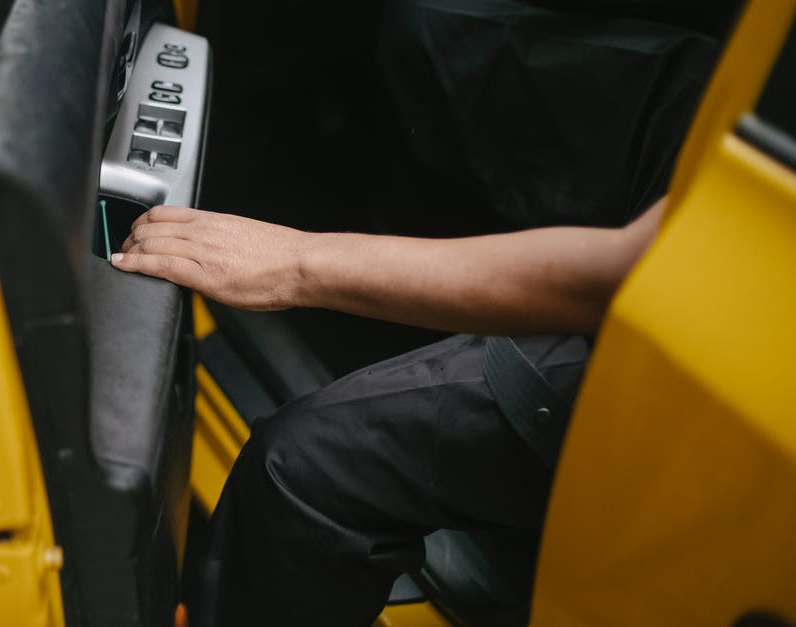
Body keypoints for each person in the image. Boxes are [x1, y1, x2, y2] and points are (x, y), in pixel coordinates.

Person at [111, 1, 742, 624]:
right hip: (739, 172)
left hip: (724, 335)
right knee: (432, 33)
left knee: (304, 469)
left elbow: (619, 281)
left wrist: (297, 262)